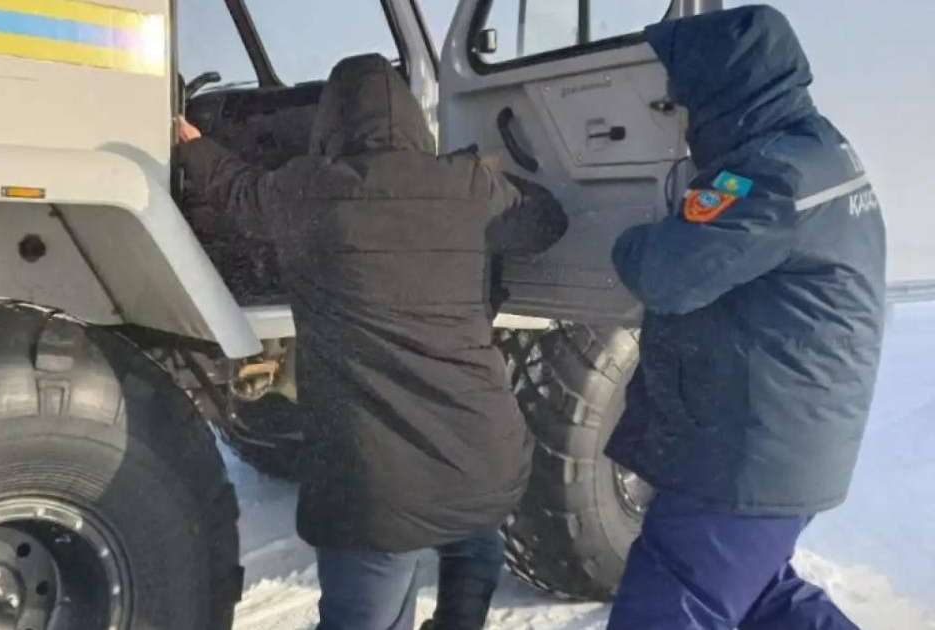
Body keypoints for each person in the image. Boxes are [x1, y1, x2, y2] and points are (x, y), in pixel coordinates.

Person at [177, 54, 568, 630]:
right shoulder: (470, 188)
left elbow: (236, 191)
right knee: (471, 545)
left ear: (330, 124)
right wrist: (486, 172)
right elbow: (547, 222)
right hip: (484, 458)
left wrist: (190, 141)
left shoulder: (308, 191)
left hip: (375, 487)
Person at [605, 6, 887, 629]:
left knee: (666, 609)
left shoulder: (768, 176)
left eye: (680, 93)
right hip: (781, 445)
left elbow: (666, 275)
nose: (673, 109)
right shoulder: (817, 150)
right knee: (766, 599)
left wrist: (628, 235)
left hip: (742, 457)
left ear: (720, 87)